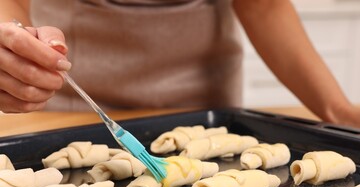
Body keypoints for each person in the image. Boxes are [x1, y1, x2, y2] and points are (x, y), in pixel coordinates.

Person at [1, 0, 360, 128]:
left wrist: (337, 110)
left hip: (207, 116)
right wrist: (14, 43)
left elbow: (262, 4)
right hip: (70, 109)